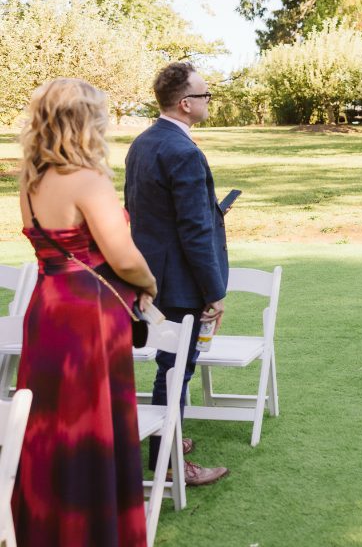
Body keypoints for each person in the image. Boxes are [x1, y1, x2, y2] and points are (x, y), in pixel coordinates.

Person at [15, 78, 156, 546]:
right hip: (88, 316)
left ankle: (44, 529)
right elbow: (125, 258)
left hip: (47, 305)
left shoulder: (31, 182)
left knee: (49, 422)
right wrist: (150, 284)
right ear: (85, 121)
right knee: (90, 422)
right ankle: (93, 532)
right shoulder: (88, 180)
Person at [124, 62, 229, 486]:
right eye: (205, 96)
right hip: (182, 280)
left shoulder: (142, 142)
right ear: (186, 104)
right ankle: (168, 463)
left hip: (151, 273)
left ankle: (171, 435)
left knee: (172, 364)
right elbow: (193, 228)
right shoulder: (183, 151)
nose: (208, 101)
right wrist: (214, 289)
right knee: (177, 367)